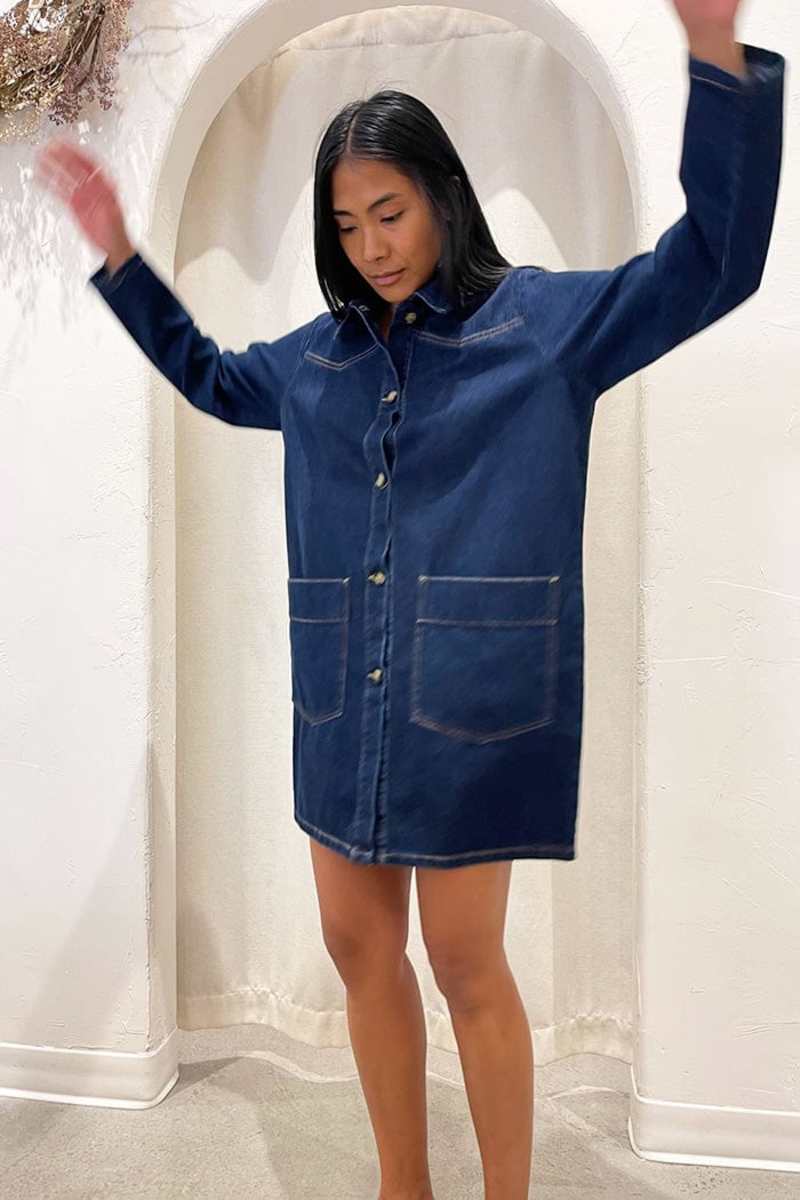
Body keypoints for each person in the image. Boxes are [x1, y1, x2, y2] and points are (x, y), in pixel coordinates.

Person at [33, 2, 785, 1195]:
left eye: (389, 211)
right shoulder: (317, 360)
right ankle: (403, 1182)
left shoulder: (543, 327)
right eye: (346, 224)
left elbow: (712, 263)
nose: (372, 245)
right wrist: (121, 259)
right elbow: (212, 378)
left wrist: (714, 64)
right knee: (354, 946)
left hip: (471, 704)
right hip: (343, 701)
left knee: (463, 959)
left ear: (441, 195)